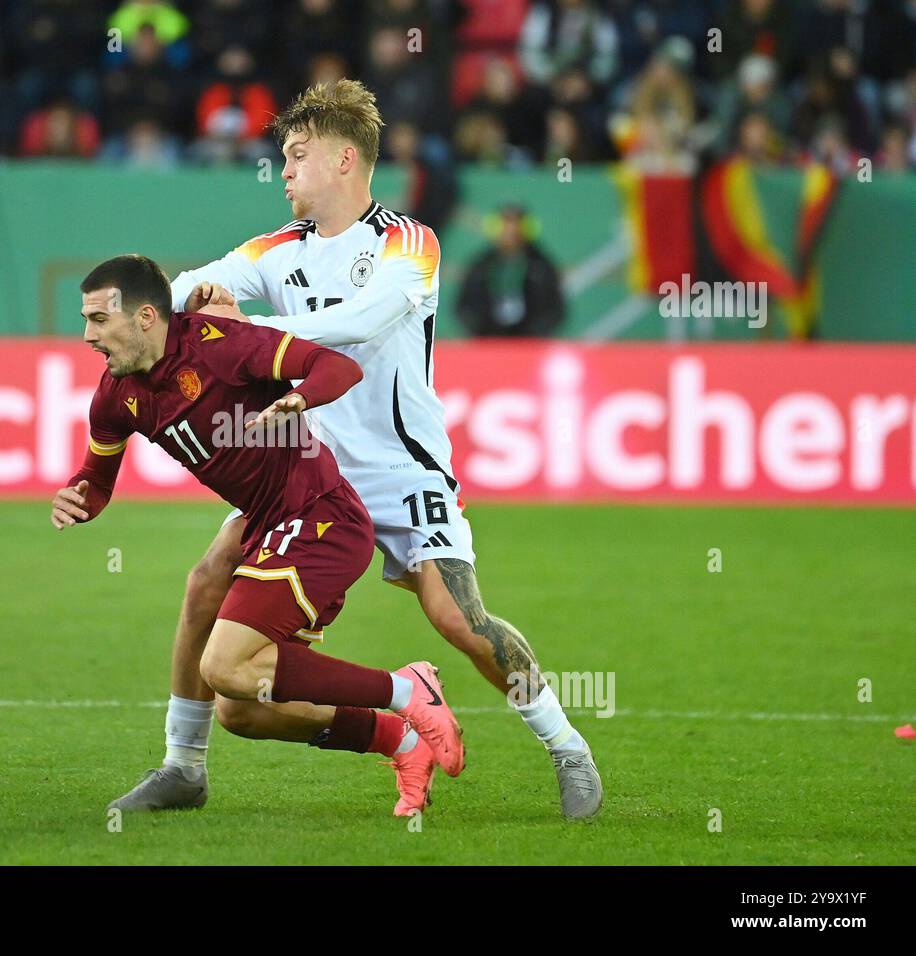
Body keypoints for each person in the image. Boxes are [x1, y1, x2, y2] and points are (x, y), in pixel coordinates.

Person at [109, 79, 603, 819]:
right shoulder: (274, 251)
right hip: (306, 477)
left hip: (405, 472)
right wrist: (136, 318)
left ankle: (567, 747)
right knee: (212, 598)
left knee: (458, 619)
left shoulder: (410, 242)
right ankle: (187, 763)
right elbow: (187, 289)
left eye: (296, 156)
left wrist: (246, 334)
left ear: (345, 160)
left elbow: (366, 320)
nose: (283, 172)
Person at [53, 254, 466, 814]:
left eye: (100, 320)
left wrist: (299, 396)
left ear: (147, 316)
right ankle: (397, 741)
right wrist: (80, 495)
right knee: (241, 709)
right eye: (86, 320)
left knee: (224, 666)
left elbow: (337, 368)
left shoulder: (220, 344)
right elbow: (96, 481)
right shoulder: (116, 395)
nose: (88, 336)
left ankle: (407, 688)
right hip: (266, 523)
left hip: (322, 518)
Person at [456, 203, 566, 337]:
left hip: (530, 343)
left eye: (516, 225)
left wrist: (536, 332)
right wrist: (481, 330)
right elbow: (465, 306)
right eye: (506, 225)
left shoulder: (541, 267)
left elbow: (554, 308)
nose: (510, 232)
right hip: (488, 342)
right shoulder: (481, 266)